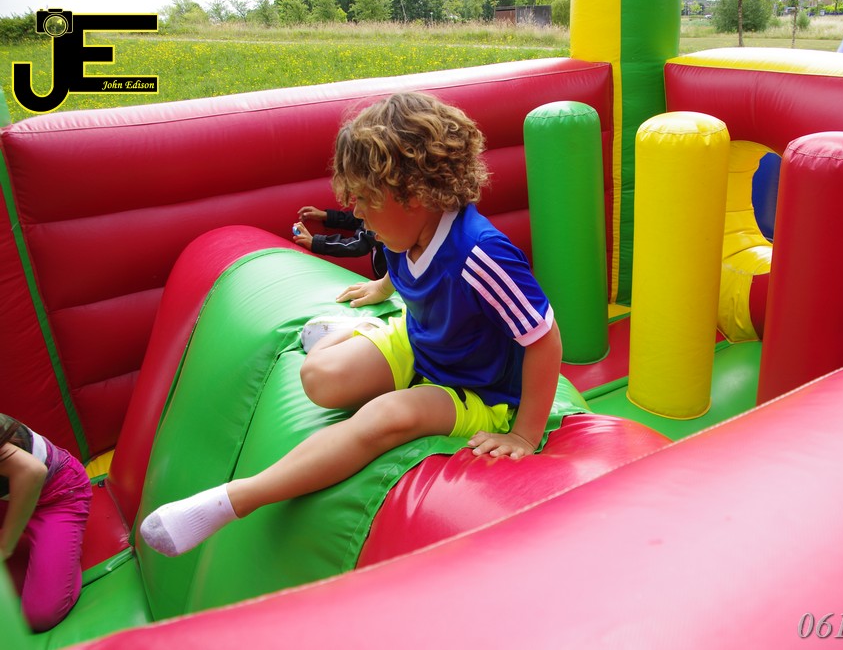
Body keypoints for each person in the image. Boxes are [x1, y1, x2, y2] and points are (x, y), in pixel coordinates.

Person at [140, 91, 563, 558]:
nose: (356, 211)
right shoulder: (403, 231)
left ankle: (235, 499)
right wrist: (382, 289)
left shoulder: (480, 255)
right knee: (318, 378)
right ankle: (352, 331)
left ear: (415, 194)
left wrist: (523, 434)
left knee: (389, 416)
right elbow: (409, 264)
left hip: (481, 392)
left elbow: (543, 338)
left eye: (365, 199)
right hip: (421, 342)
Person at [0, 413, 91, 632]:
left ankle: (61, 554)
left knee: (40, 614)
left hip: (56, 495)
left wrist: (4, 546)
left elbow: (32, 471)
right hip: (8, 498)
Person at [292, 206, 387, 279]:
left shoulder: (380, 214)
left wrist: (316, 242)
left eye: (361, 198)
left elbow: (358, 244)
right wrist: (328, 216)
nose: (356, 211)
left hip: (389, 279)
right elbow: (359, 220)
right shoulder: (380, 207)